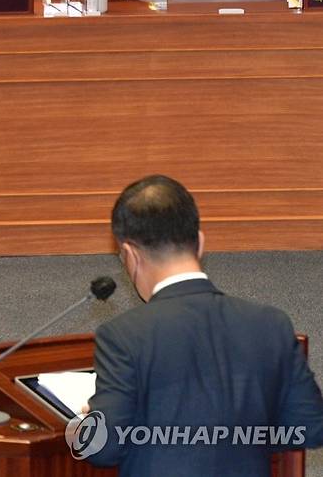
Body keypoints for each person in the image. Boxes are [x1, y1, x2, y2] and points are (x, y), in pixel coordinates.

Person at [86, 175, 323, 476]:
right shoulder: (271, 323)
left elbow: (103, 450)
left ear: (130, 255)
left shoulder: (123, 334)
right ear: (199, 242)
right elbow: (309, 427)